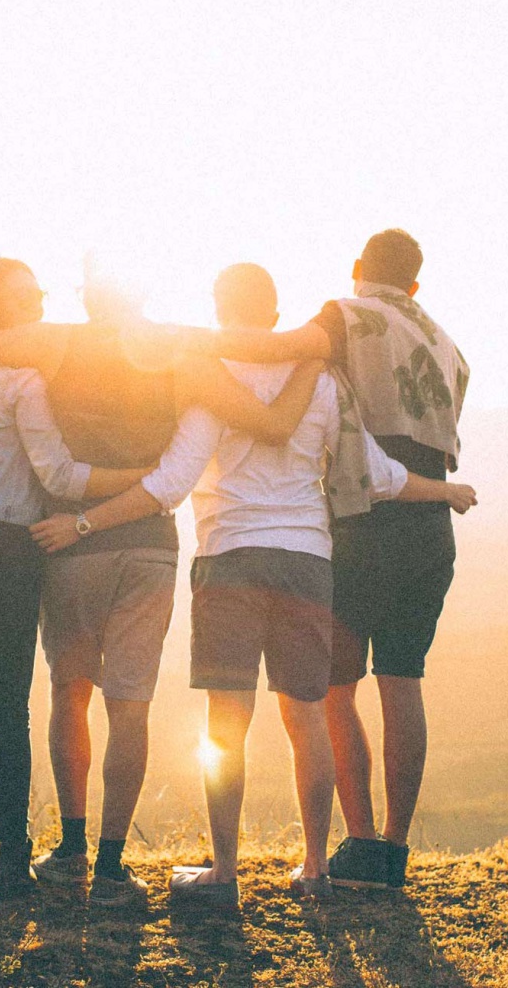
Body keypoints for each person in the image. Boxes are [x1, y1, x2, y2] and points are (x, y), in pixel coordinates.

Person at [29, 262, 475, 906]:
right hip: (308, 563)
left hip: (230, 559)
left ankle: (225, 873)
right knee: (308, 720)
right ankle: (316, 869)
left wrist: (83, 522)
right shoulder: (322, 381)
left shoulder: (211, 378)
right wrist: (447, 491)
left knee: (226, 724)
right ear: (274, 314)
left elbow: (170, 484)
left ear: (219, 308)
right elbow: (379, 474)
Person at [0, 260, 322, 907]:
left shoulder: (56, 341)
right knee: (130, 705)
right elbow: (261, 390)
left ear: (87, 296)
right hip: (149, 547)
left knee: (70, 692)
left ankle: (71, 847)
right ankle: (112, 866)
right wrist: (314, 351)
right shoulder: (176, 347)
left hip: (71, 545)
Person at [180, 230, 472, 889]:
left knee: (330, 691)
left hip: (361, 521)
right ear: (416, 284)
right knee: (403, 681)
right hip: (427, 523)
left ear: (358, 269)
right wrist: (446, 491)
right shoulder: (449, 346)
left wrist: (182, 344)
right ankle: (392, 853)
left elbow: (278, 349)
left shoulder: (346, 316)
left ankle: (359, 846)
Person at [0, 258, 153, 902]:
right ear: (7, 311)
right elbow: (61, 478)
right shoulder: (22, 379)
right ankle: (13, 862)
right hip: (2, 553)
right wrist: (140, 480)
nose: (41, 305)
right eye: (31, 297)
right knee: (4, 711)